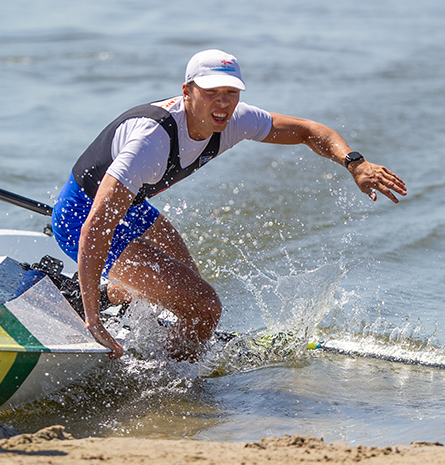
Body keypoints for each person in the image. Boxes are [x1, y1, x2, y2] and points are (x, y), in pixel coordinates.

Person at [52, 49, 407, 362]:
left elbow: (307, 131)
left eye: (230, 93)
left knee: (188, 286)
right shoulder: (150, 140)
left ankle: (120, 301)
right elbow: (95, 225)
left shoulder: (237, 121)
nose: (222, 104)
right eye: (211, 93)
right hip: (81, 216)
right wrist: (91, 321)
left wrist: (355, 163)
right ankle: (159, 377)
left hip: (131, 208)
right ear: (187, 92)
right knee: (204, 308)